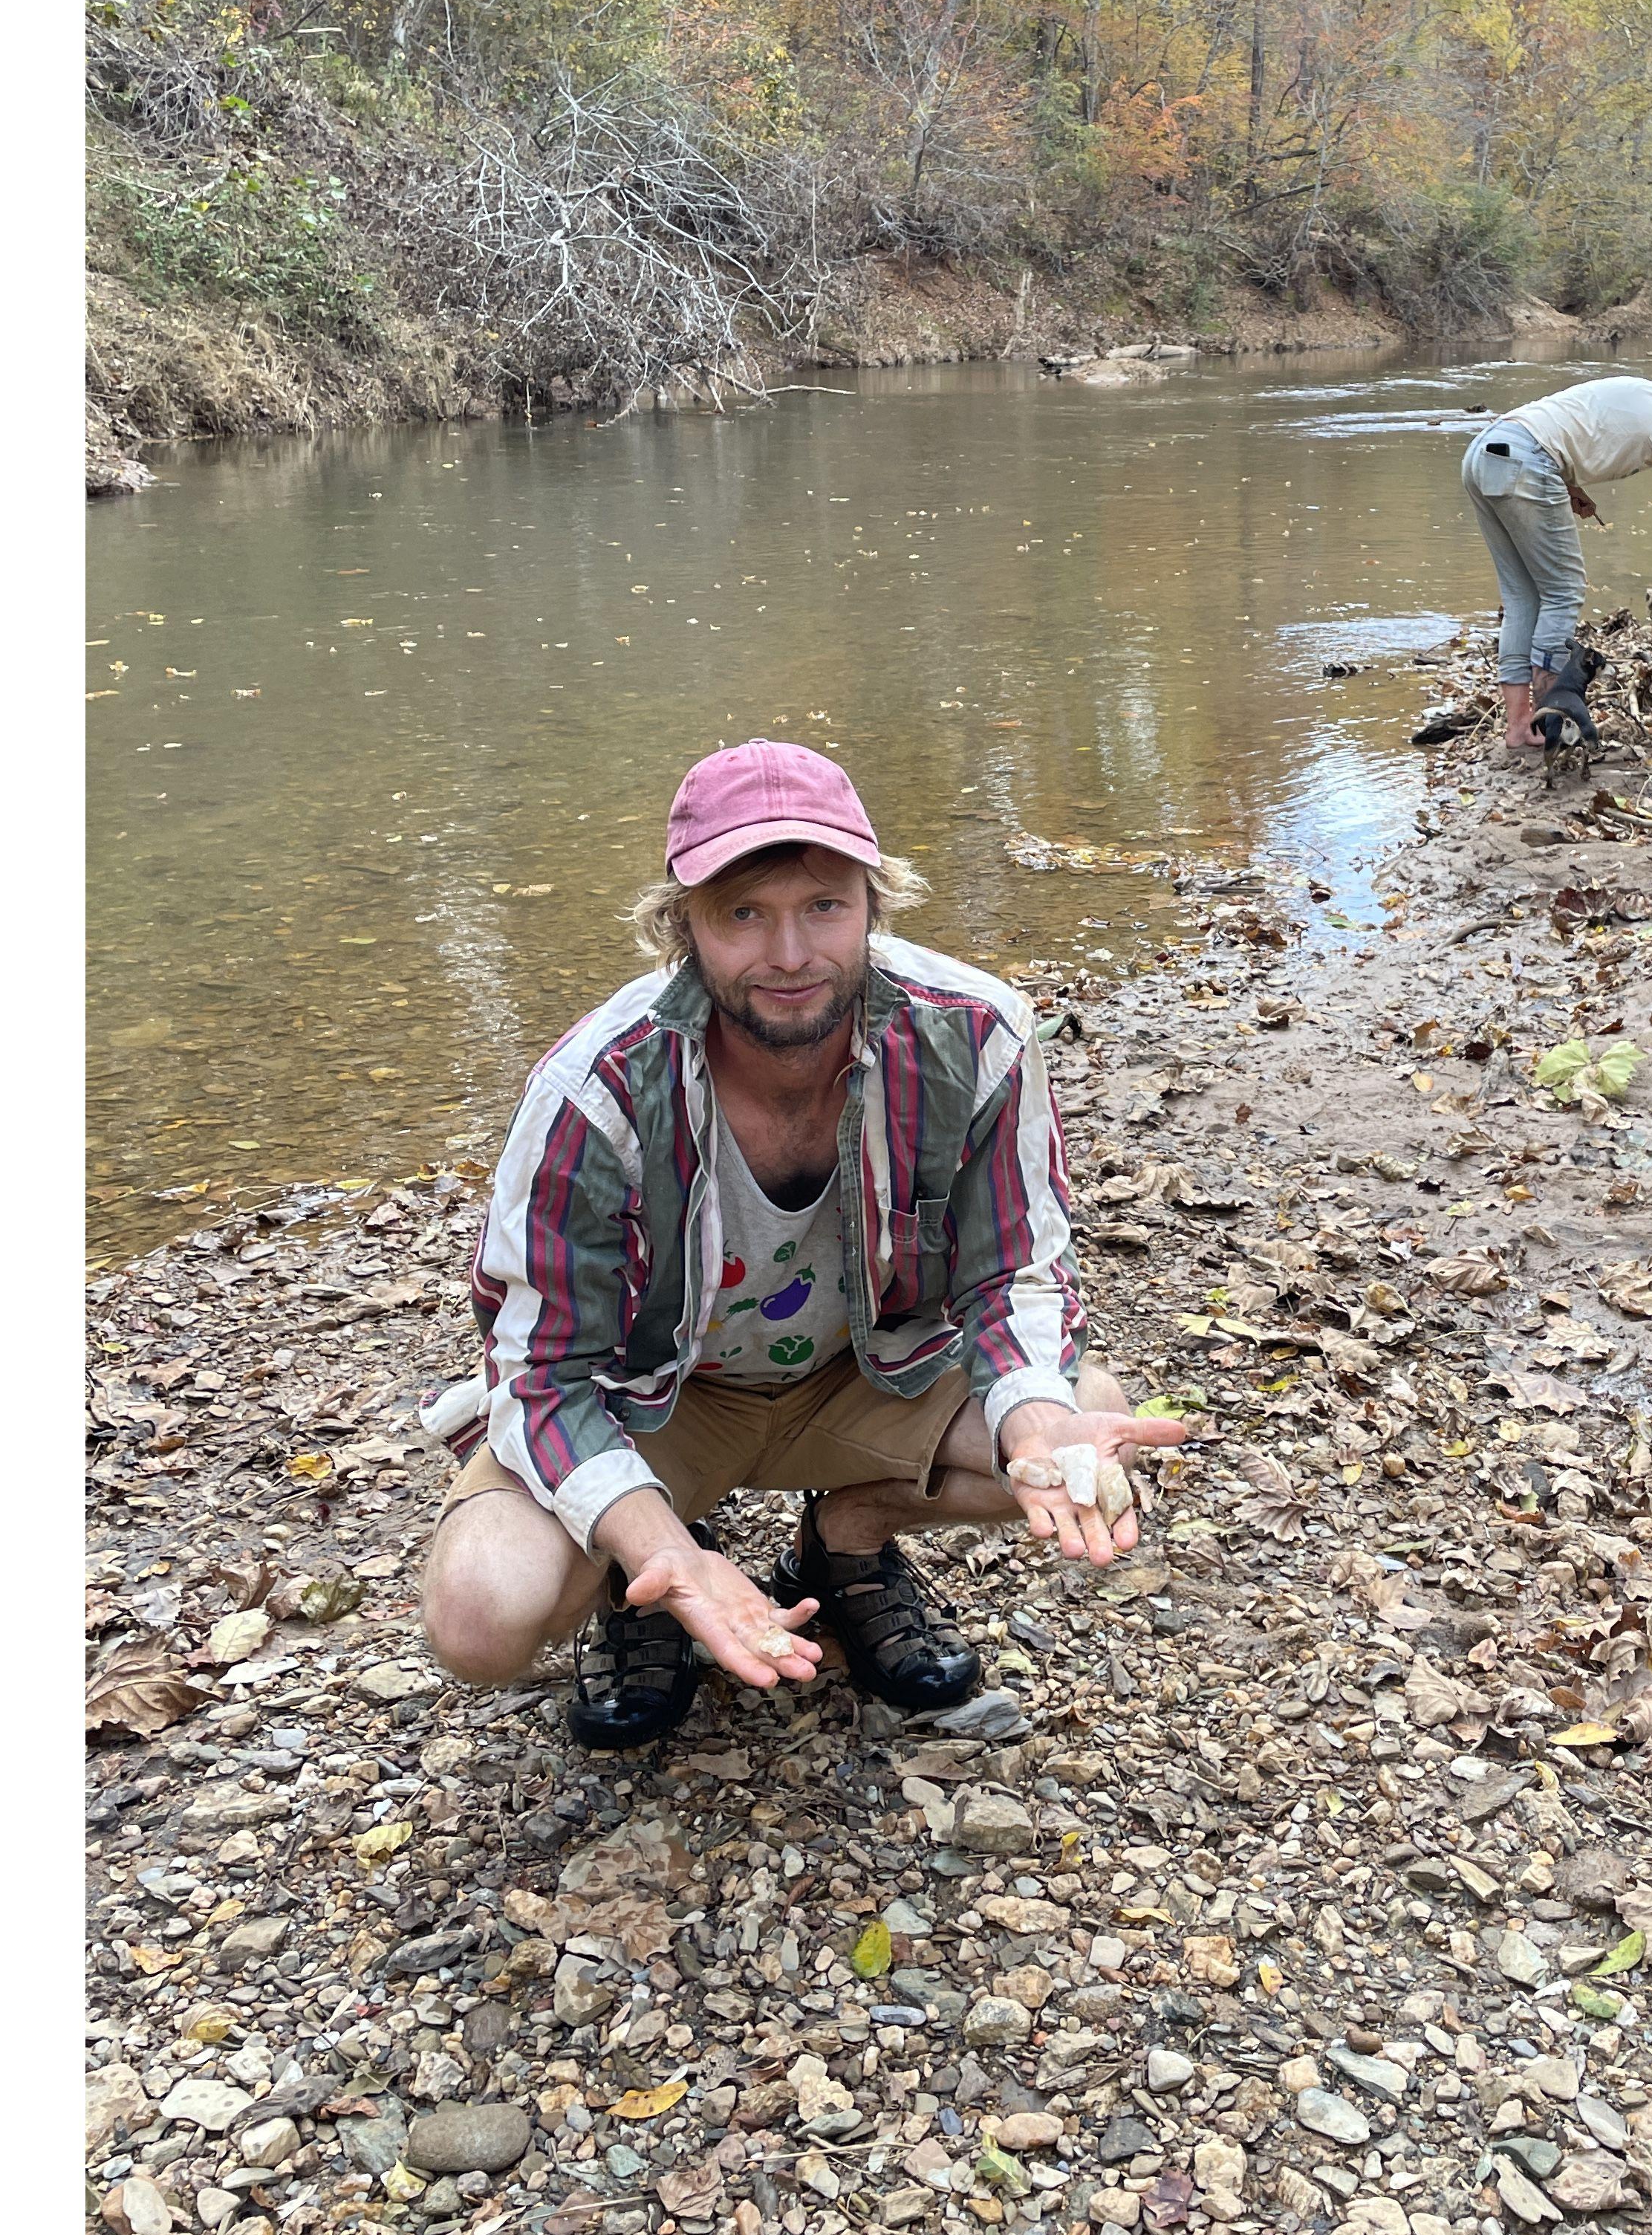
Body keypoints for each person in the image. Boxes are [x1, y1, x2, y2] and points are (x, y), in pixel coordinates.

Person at [419, 739, 1182, 1746]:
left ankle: (845, 1542)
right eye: (744, 914)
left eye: (824, 906)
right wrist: (667, 1557)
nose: (788, 956)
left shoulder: (975, 1035)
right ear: (682, 926)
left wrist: (1033, 1420)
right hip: (661, 1404)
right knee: (480, 1611)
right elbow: (541, 1374)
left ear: (874, 903)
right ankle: (641, 1586)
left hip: (866, 1378)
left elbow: (1016, 1275)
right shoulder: (593, 1092)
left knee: (1083, 1428)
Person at [1457, 376, 1652, 753]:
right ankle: (1550, 725)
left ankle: (1519, 728)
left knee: (1523, 599)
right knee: (1563, 591)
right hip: (1525, 458)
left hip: (1485, 453)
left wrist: (1570, 486)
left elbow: (1568, 425)